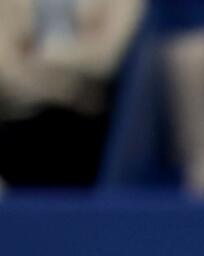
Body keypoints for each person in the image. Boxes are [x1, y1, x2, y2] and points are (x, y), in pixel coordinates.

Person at [0, 0, 142, 188]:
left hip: (91, 119)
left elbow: (106, 59)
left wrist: (40, 54)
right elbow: (6, 68)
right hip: (18, 117)